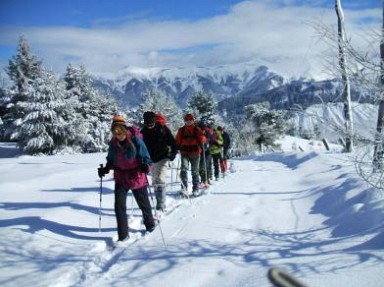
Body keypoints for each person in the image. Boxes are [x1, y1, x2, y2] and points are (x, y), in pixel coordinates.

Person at [98, 115, 155, 242]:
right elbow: (111, 159)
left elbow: (147, 159)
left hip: (137, 176)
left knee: (144, 204)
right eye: (115, 131)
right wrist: (105, 169)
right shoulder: (114, 143)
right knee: (119, 206)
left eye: (120, 130)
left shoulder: (135, 140)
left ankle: (150, 225)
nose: (118, 134)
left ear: (124, 129)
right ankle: (123, 236)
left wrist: (146, 166)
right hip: (121, 177)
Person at [141, 111, 178, 212]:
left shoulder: (163, 129)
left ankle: (160, 205)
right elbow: (139, 146)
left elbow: (172, 142)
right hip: (150, 159)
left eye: (151, 124)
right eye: (147, 124)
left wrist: (173, 154)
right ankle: (159, 201)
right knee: (154, 181)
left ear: (154, 121)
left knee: (160, 180)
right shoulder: (143, 132)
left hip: (163, 157)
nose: (149, 126)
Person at [175, 113, 206, 196]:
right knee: (183, 170)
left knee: (195, 171)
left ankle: (195, 188)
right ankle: (184, 188)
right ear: (184, 121)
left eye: (190, 120)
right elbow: (177, 140)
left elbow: (202, 140)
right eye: (186, 120)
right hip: (184, 153)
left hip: (195, 153)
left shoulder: (197, 129)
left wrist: (202, 134)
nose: (188, 121)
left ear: (193, 120)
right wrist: (176, 147)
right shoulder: (181, 130)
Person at [198, 121, 213, 188]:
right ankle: (204, 180)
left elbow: (211, 141)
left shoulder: (208, 133)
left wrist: (208, 145)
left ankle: (205, 180)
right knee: (201, 167)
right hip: (200, 152)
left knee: (204, 166)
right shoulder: (197, 132)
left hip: (207, 152)